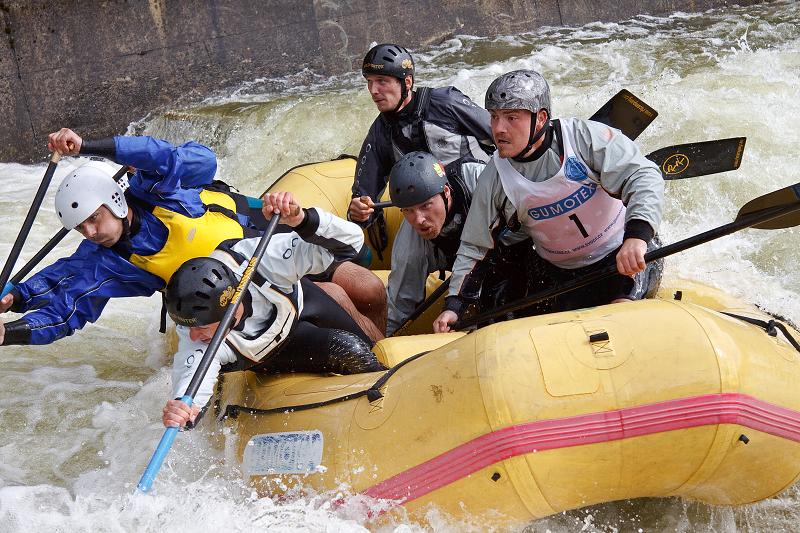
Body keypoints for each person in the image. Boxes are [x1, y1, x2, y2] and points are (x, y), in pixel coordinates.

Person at [433, 70, 665, 332]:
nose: (498, 128)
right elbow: (475, 246)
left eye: (511, 118)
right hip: (562, 275)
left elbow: (643, 175)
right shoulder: (495, 177)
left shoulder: (582, 137)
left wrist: (637, 236)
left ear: (541, 118)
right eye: (494, 117)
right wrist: (454, 305)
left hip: (624, 257)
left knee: (618, 320)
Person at [0, 128, 262, 345]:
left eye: (94, 218)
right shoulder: (105, 261)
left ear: (114, 201)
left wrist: (86, 146)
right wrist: (13, 311)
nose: (90, 233)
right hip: (218, 301)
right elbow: (64, 311)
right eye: (80, 227)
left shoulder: (155, 190)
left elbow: (165, 155)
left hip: (258, 237)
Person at [161, 191, 386, 428]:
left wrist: (302, 219)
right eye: (188, 328)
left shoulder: (263, 259)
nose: (193, 336)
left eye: (201, 327)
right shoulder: (195, 333)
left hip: (301, 304)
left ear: (230, 309)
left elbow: (352, 243)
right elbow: (192, 384)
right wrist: (183, 409)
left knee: (368, 346)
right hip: (268, 352)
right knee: (349, 349)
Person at [348, 43, 494, 224]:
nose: (373, 90)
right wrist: (358, 211)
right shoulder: (380, 134)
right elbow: (364, 200)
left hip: (482, 199)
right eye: (369, 81)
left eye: (381, 81)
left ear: (407, 82)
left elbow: (501, 134)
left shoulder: (445, 103)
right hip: (432, 220)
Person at [385, 151, 490, 335]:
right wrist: (388, 341)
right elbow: (399, 303)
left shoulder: (480, 180)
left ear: (446, 192)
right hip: (462, 269)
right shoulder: (411, 240)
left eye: (425, 205)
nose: (419, 220)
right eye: (408, 210)